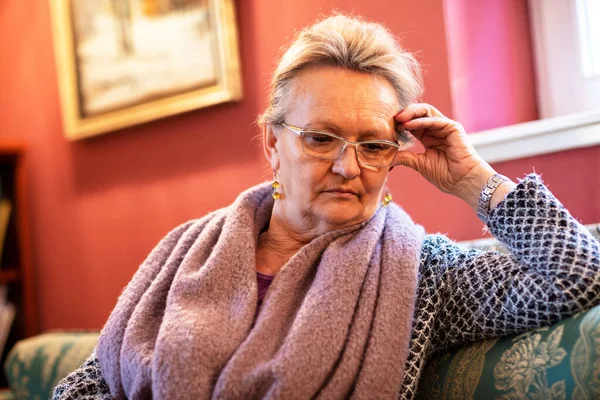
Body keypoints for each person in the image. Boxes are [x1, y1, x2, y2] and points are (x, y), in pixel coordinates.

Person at [53, 14, 600, 400]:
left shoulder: (422, 276)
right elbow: (86, 385)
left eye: (373, 144)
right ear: (273, 144)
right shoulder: (185, 252)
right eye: (321, 139)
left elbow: (577, 276)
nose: (348, 166)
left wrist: (474, 180)